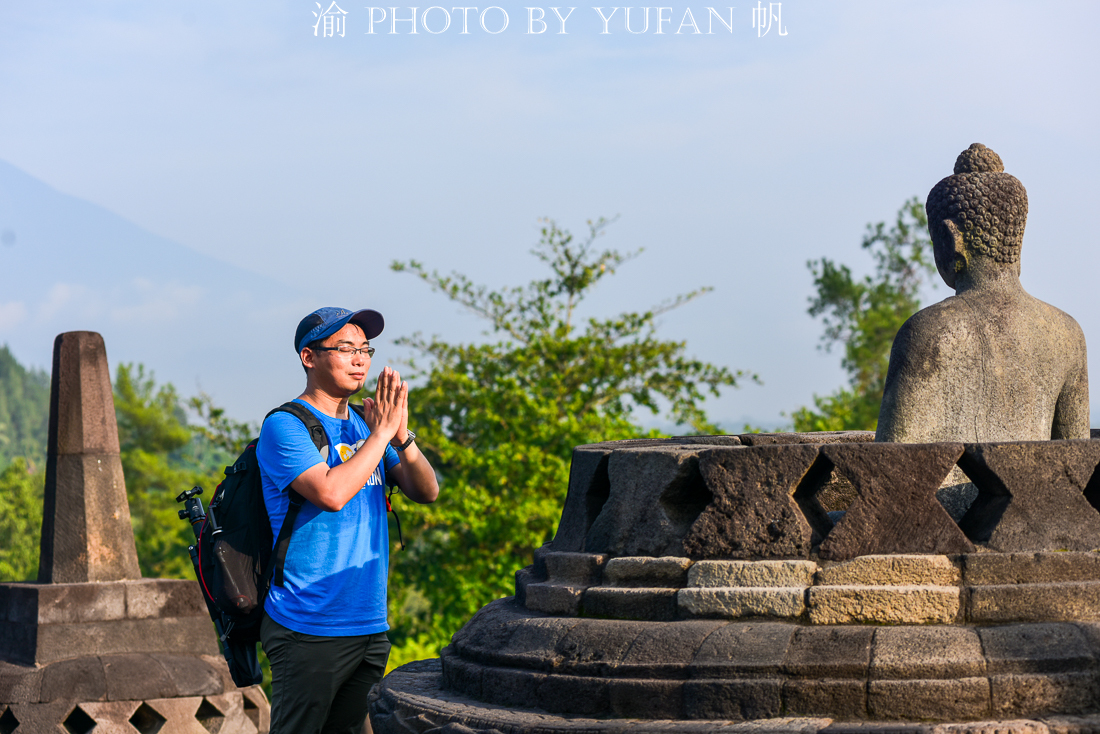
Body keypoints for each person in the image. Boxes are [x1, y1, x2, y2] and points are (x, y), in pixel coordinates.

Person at [256, 306, 439, 734]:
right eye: (345, 348)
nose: (360, 359)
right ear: (309, 357)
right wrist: (380, 435)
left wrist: (401, 437)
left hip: (369, 622)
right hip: (307, 624)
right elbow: (331, 493)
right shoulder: (286, 426)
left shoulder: (364, 425)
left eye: (365, 349)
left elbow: (426, 490)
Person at [876, 143, 1089, 444]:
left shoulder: (926, 334)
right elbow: (1075, 463)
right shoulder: (1068, 335)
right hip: (1040, 491)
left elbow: (891, 466)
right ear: (1016, 239)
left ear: (952, 240)